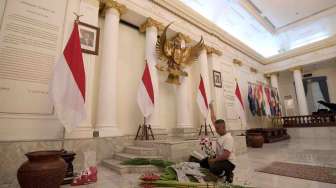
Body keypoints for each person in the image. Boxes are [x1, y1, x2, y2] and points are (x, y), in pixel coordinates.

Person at [200, 101, 235, 183]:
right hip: (221, 158)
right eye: (216, 128)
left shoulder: (228, 138)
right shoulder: (220, 133)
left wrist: (214, 160)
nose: (216, 130)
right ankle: (219, 170)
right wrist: (211, 107)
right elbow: (213, 119)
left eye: (217, 129)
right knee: (203, 163)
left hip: (229, 162)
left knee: (213, 167)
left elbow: (226, 156)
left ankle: (228, 173)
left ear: (223, 127)